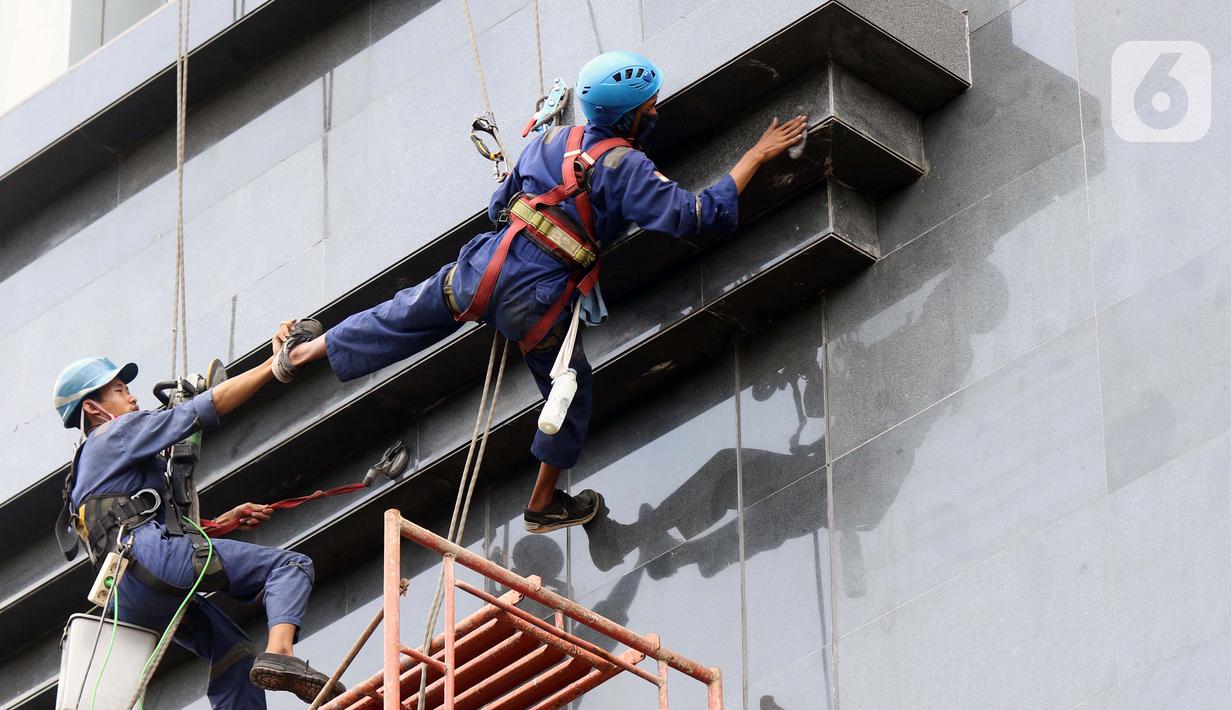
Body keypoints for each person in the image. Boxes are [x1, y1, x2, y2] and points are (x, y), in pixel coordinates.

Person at [272, 50, 807, 534]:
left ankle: (303, 350)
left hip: (482, 268)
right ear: (630, 115)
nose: (656, 110)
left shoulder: (553, 138)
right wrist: (755, 155)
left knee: (400, 313)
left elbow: (496, 208)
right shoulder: (626, 167)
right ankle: (543, 503)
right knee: (568, 390)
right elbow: (695, 215)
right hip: (535, 300)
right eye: (650, 105)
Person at [52, 320, 343, 707]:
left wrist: (222, 522)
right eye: (121, 391)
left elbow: (139, 516)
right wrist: (275, 365)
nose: (133, 400)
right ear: (93, 408)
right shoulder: (117, 434)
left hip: (128, 593)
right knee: (289, 567)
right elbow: (206, 407)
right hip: (154, 558)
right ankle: (281, 654)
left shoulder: (85, 474)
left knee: (234, 654)